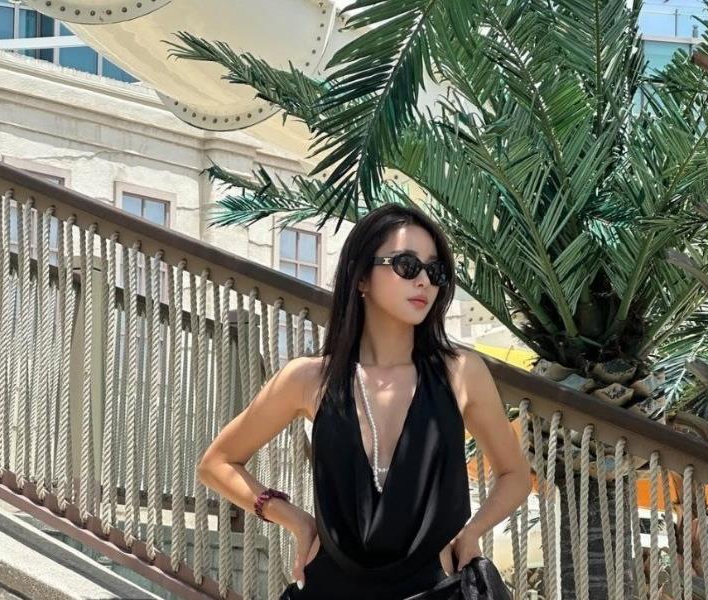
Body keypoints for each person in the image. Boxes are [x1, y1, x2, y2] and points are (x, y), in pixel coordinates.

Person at [198, 202, 531, 599]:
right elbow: (216, 463)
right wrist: (295, 519)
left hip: (436, 590)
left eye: (435, 270)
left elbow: (514, 474)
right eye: (407, 265)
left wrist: (472, 533)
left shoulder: (460, 373)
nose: (424, 280)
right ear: (361, 278)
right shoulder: (308, 379)